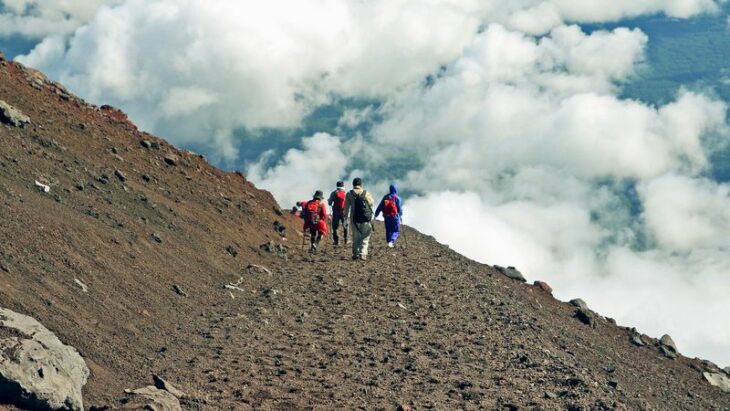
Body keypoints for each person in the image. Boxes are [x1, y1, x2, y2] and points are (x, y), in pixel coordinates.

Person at [344, 177, 375, 260]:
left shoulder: (349, 194)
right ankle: (363, 253)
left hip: (354, 219)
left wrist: (345, 218)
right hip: (365, 218)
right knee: (365, 237)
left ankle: (355, 254)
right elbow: (372, 203)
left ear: (353, 184)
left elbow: (346, 208)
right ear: (361, 185)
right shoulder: (365, 193)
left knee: (356, 237)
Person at [327, 181, 348, 247]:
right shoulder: (346, 193)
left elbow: (330, 203)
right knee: (345, 226)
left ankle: (336, 241)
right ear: (343, 185)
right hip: (344, 212)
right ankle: (346, 240)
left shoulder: (334, 193)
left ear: (337, 185)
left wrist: (329, 201)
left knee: (335, 227)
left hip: (336, 212)